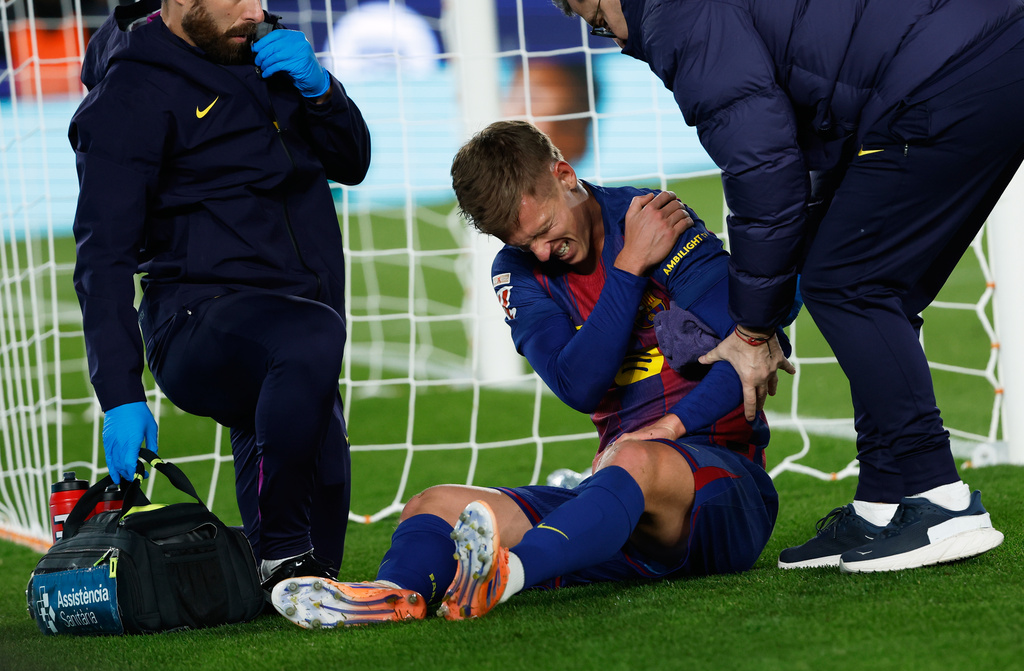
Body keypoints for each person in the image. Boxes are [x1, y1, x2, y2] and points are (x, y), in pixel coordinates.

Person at [547, 0, 1018, 573]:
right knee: (865, 284)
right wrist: (762, 315)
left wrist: (750, 327)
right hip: (976, 54)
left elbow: (764, 169)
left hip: (949, 69)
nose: (611, 39)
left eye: (594, 19)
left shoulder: (675, 17)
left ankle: (939, 497)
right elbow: (808, 150)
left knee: (852, 284)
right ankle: (883, 502)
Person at [268, 120, 781, 628]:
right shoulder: (516, 269)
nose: (538, 252)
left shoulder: (653, 220)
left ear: (564, 175)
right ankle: (392, 595)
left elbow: (747, 357)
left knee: (635, 458)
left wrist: (669, 428)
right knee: (434, 504)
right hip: (617, 502)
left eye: (543, 231)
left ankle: (508, 573)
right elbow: (579, 385)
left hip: (721, 499)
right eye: (518, 241)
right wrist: (627, 273)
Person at [69, 0, 370, 593]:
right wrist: (119, 395)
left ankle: (272, 569)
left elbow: (352, 162)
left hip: (294, 324)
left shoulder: (263, 47)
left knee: (321, 552)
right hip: (195, 321)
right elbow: (102, 259)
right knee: (308, 337)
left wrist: (322, 91)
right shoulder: (130, 93)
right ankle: (281, 555)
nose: (255, 9)